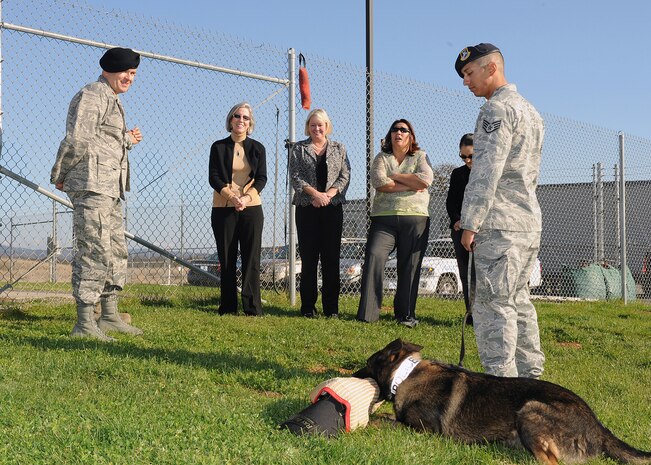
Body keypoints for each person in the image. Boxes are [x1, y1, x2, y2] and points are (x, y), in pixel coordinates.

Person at [454, 43, 545, 378]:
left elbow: (485, 170)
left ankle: (501, 390)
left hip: (500, 225)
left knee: (494, 307)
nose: (466, 82)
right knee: (519, 302)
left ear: (491, 68)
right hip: (526, 222)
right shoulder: (532, 112)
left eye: (469, 73)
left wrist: (471, 223)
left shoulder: (496, 110)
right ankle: (532, 382)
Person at [50, 47, 144, 341]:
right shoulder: (93, 94)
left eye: (133, 74)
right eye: (126, 72)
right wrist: (60, 174)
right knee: (94, 250)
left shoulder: (112, 99)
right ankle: (84, 323)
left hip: (110, 188)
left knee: (115, 250)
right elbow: (78, 138)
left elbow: (103, 140)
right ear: (110, 69)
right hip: (91, 186)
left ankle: (109, 315)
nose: (130, 78)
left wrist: (126, 140)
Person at [356, 119, 433, 328]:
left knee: (409, 266)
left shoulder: (420, 156)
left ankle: (405, 315)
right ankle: (368, 314)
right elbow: (379, 182)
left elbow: (425, 180)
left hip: (415, 218)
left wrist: (395, 177)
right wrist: (409, 184)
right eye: (394, 130)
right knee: (374, 256)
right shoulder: (382, 157)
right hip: (384, 219)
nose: (398, 132)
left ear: (410, 135)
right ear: (390, 135)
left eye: (403, 130)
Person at [290, 109, 350, 318]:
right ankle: (308, 307)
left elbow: (345, 176)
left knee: (331, 259)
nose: (317, 128)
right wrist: (315, 195)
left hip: (332, 209)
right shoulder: (299, 149)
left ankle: (331, 309)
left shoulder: (339, 148)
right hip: (307, 208)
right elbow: (296, 177)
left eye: (320, 125)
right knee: (309, 259)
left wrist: (328, 195)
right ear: (308, 126)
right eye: (313, 125)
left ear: (327, 126)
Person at [209, 102, 267, 316]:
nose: (241, 120)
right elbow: (213, 177)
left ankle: (253, 308)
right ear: (230, 120)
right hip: (224, 207)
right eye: (237, 116)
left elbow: (262, 178)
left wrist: (245, 197)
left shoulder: (258, 148)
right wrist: (232, 197)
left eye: (245, 117)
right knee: (227, 258)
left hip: (251, 208)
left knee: (252, 258)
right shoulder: (218, 147)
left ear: (250, 122)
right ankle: (228, 307)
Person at [446, 133, 476, 324]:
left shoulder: (488, 173)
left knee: (482, 274)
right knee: (466, 273)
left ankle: (486, 315)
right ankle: (471, 314)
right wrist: (457, 220)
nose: (467, 160)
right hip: (460, 228)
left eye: (471, 156)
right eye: (463, 156)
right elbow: (451, 201)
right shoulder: (458, 174)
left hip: (482, 230)